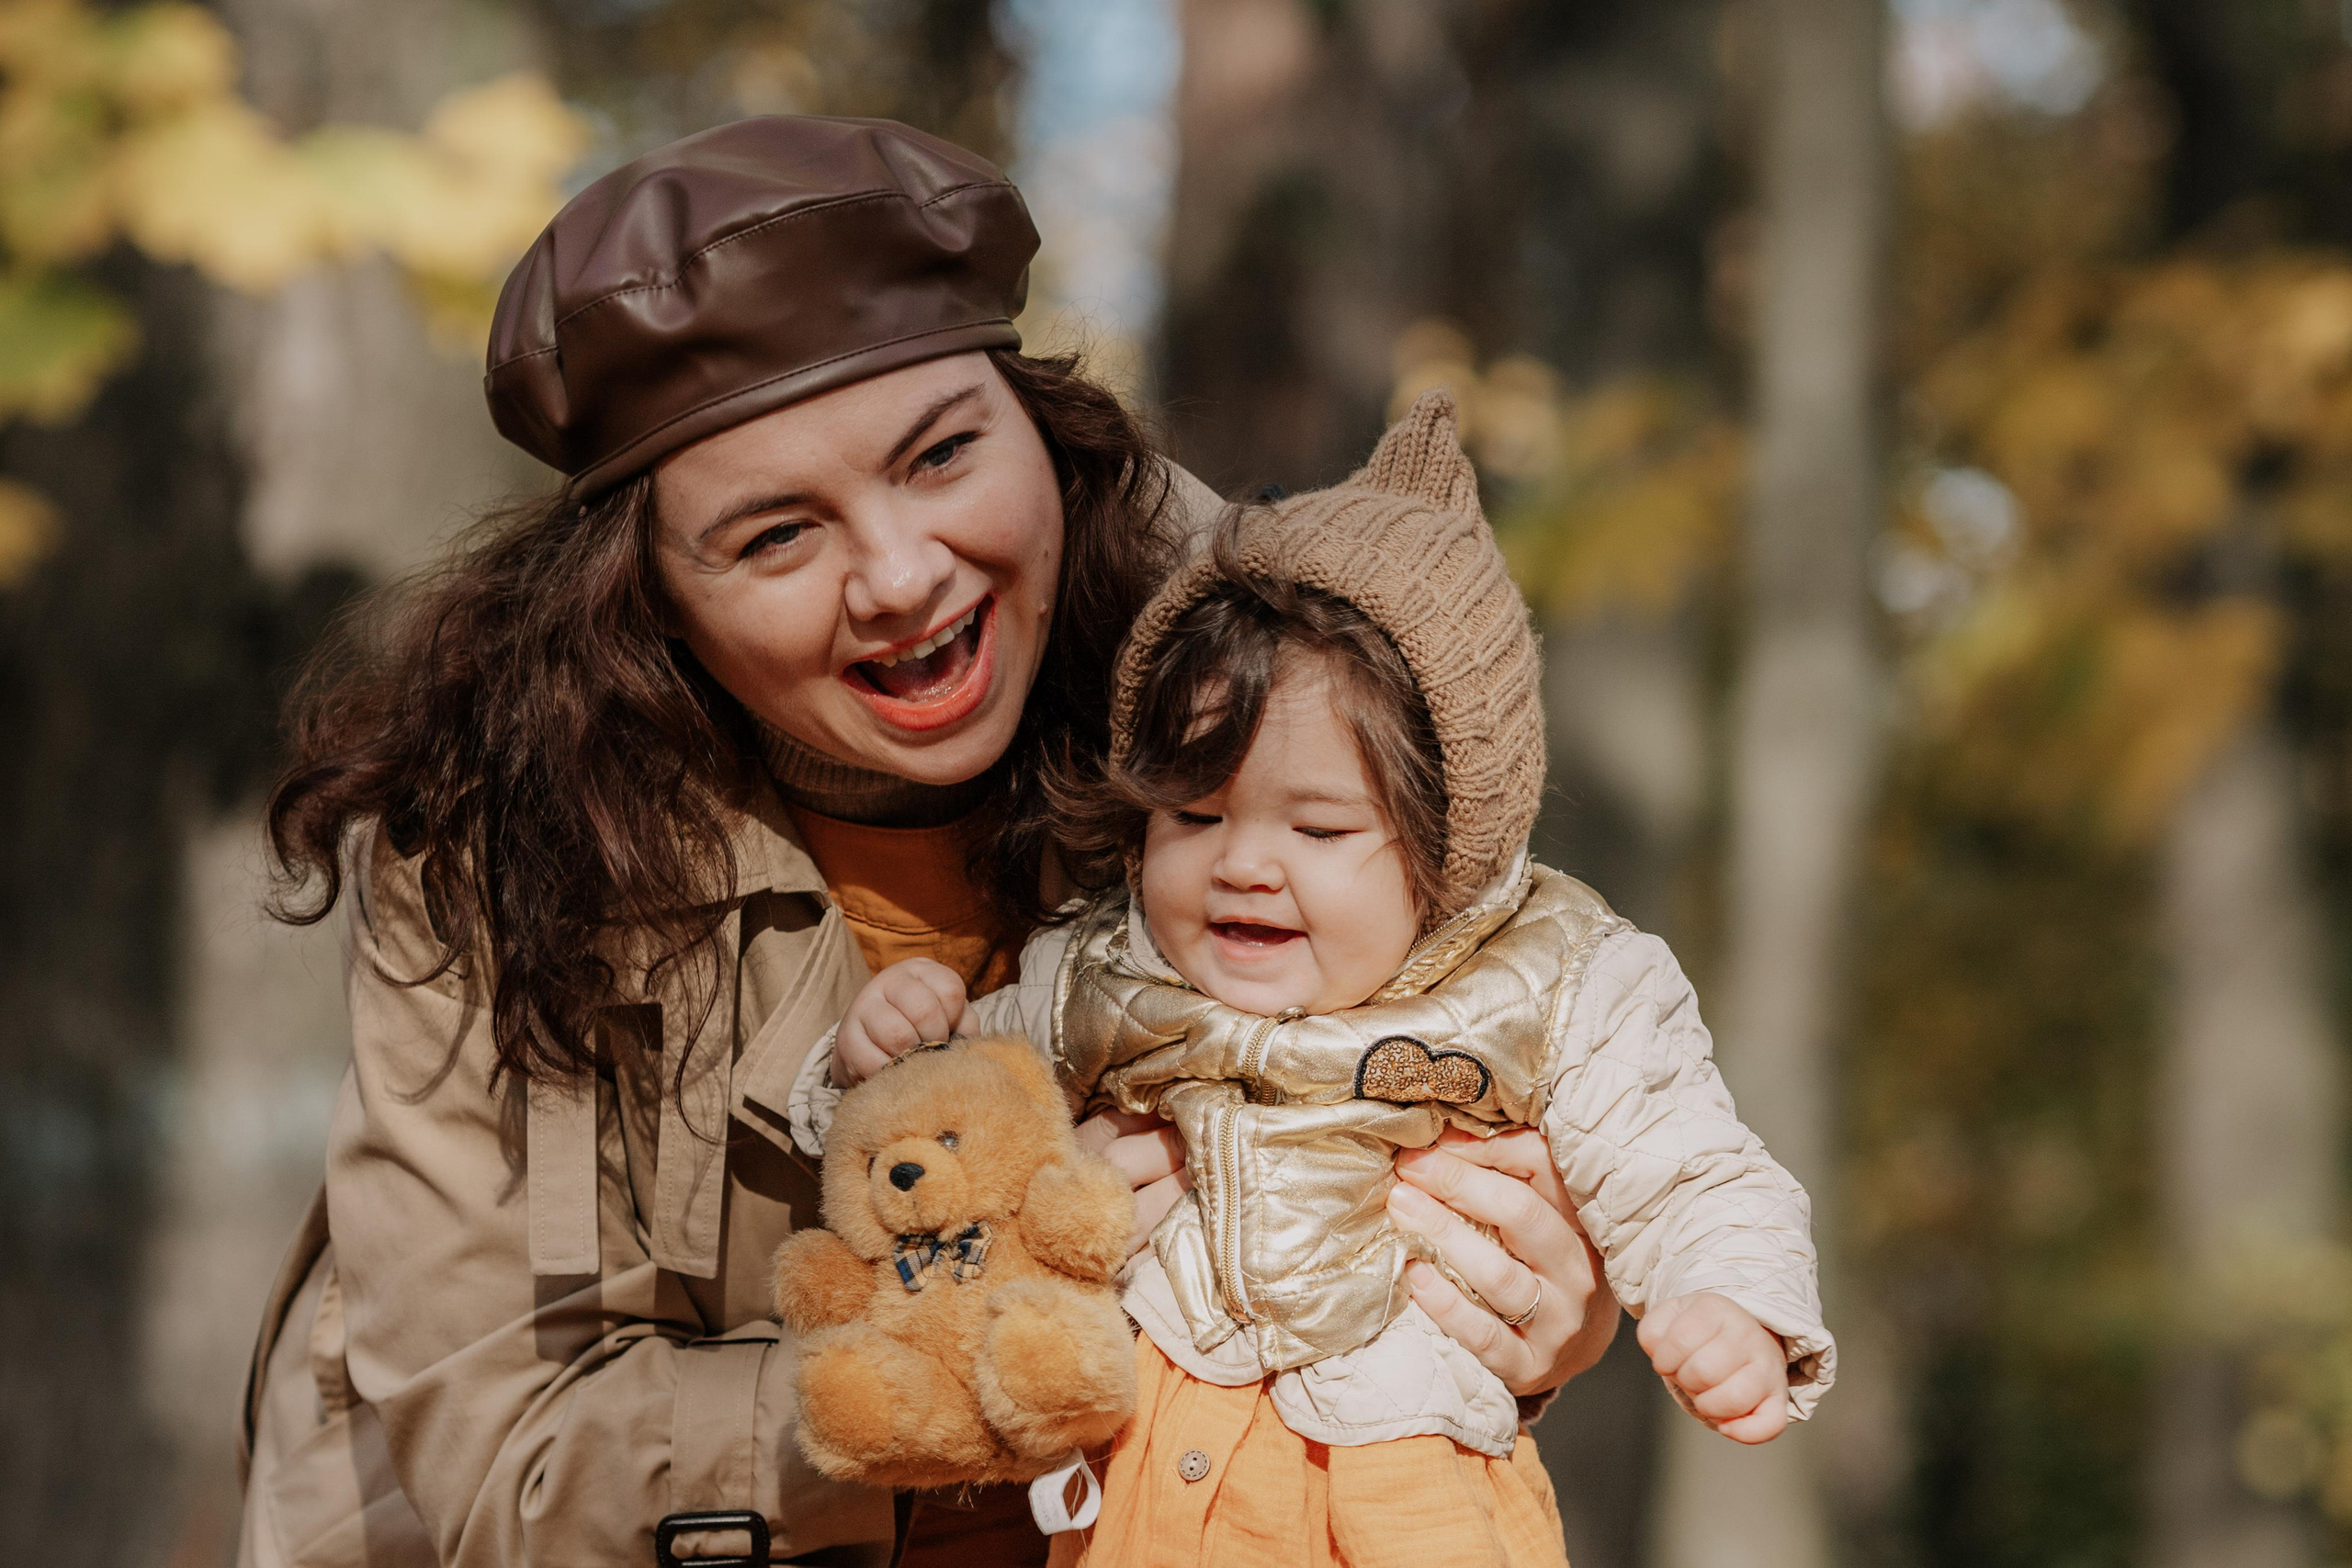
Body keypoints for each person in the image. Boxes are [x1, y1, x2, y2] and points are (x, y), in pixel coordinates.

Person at [234, 117, 1616, 1568]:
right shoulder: (488, 844)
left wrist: (1546, 1311)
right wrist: (971, 1354)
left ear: (1045, 431)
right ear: (641, 599)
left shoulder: (1277, 702)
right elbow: (507, 1457)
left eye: (944, 453)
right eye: (775, 536)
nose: (900, 577)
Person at [806, 392, 1837, 1567]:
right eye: (1194, 813)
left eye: (1322, 829)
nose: (1243, 864)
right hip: (1153, 1480)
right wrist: (879, 1061)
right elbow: (930, 1140)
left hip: (1407, 1484)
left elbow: (1688, 1164)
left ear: (1452, 837)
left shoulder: (1554, 983)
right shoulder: (1099, 969)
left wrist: (1727, 1304)